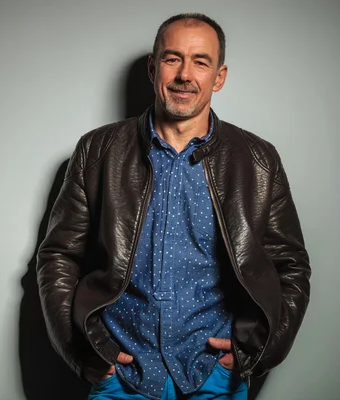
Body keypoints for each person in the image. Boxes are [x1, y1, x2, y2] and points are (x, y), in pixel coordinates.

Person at [36, 12, 311, 400]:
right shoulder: (97, 152)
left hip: (214, 379)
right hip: (121, 376)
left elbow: (291, 265)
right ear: (153, 68)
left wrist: (258, 351)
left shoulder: (258, 160)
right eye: (172, 58)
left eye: (201, 61)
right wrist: (86, 355)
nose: (185, 74)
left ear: (219, 77)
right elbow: (58, 256)